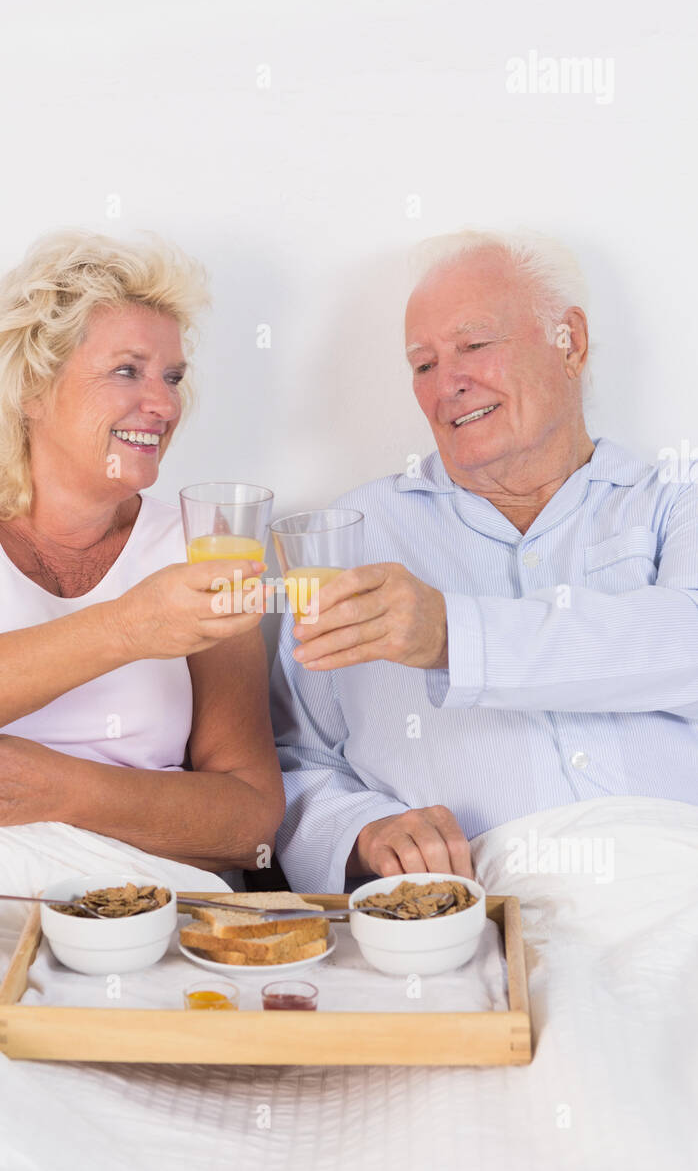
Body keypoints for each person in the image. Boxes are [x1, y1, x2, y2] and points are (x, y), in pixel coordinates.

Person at [0, 229, 284, 873]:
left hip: (113, 890)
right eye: (127, 370)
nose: (164, 404)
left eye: (173, 377)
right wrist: (128, 627)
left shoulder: (199, 550)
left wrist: (63, 790)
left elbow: (250, 826)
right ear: (31, 387)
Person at [271, 229, 698, 893]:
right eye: (423, 365)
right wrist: (364, 831)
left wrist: (453, 635)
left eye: (474, 346)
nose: (449, 383)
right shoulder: (352, 534)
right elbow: (296, 757)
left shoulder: (675, 496)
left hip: (678, 875)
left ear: (570, 342)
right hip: (475, 905)